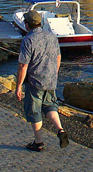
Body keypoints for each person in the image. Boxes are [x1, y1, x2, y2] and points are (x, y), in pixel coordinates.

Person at [15, 10, 69, 152]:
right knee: (50, 106)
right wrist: (54, 74)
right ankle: (60, 130)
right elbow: (58, 58)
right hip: (50, 80)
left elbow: (23, 65)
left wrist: (18, 86)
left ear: (27, 24)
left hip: (35, 82)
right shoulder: (52, 37)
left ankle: (38, 142)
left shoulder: (28, 40)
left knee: (35, 111)